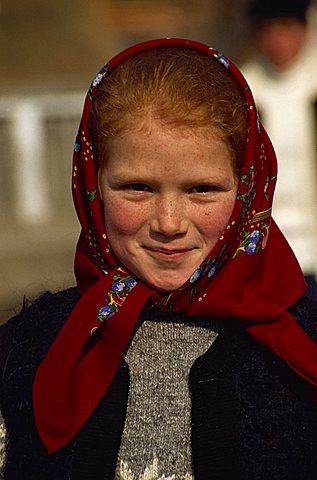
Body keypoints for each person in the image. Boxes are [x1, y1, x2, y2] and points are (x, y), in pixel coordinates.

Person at [0, 38, 317, 480]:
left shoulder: (305, 341)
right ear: (91, 185)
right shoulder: (25, 352)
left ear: (248, 186)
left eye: (202, 189)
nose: (169, 223)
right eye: (137, 188)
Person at [242, 0, 317, 298]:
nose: (279, 40)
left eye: (287, 28)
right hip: (267, 249)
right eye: (269, 29)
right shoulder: (246, 90)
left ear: (304, 30)